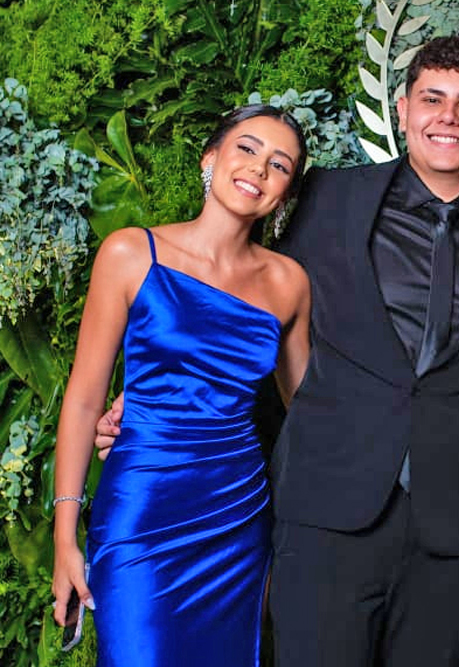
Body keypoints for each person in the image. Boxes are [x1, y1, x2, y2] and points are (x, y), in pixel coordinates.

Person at [268, 36, 459, 666]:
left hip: (454, 529)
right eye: (432, 99)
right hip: (327, 509)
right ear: (402, 110)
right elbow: (255, 301)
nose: (447, 117)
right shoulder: (327, 198)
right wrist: (165, 397)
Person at [52, 105, 311, 666]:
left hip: (236, 516)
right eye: (247, 149)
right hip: (141, 510)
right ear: (210, 158)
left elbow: (310, 409)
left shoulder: (288, 283)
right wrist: (64, 538)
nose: (259, 168)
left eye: (279, 164)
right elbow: (84, 399)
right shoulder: (130, 253)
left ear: (285, 194)